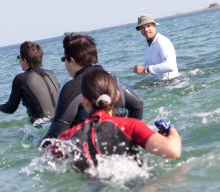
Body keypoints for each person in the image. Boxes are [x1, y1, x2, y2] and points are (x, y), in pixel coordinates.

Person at [46, 69, 181, 172]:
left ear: (85, 101)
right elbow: (173, 151)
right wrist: (171, 129)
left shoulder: (68, 138)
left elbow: (47, 162)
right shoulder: (131, 126)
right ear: (116, 96)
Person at [42, 33, 144, 140]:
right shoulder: (112, 79)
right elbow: (138, 105)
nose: (65, 64)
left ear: (71, 60)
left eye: (64, 59)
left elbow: (56, 134)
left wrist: (38, 146)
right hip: (119, 145)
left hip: (91, 150)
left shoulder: (72, 88)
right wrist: (129, 137)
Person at [0, 41, 60, 126]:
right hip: (59, 121)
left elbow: (10, 109)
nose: (19, 61)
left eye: (19, 58)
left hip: (42, 125)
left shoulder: (21, 79)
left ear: (25, 61)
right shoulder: (51, 74)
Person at [133, 14, 179, 80]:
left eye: (148, 26)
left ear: (154, 26)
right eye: (142, 27)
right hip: (161, 84)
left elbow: (170, 66)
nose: (146, 29)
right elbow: (149, 63)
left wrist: (145, 69)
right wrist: (139, 69)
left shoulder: (162, 41)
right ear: (140, 30)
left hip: (173, 82)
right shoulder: (147, 43)